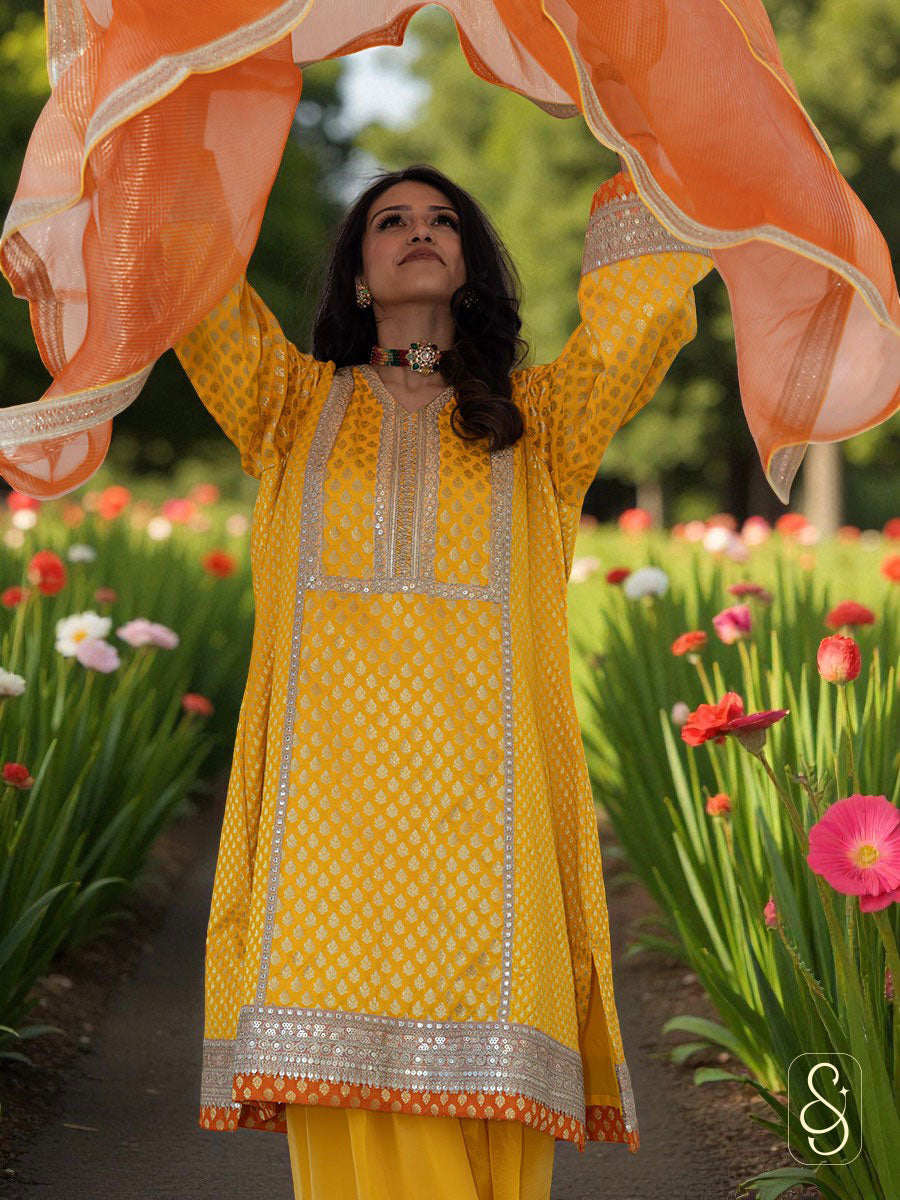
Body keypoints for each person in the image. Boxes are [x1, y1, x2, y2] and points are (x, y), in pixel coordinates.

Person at [173, 159, 714, 1200]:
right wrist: (146, 126)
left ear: (467, 266)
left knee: (483, 1110)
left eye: (441, 221)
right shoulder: (287, 404)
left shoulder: (542, 419)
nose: (418, 230)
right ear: (359, 274)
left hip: (486, 835)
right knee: (351, 1111)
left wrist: (653, 125)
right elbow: (194, 292)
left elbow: (637, 326)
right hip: (328, 843)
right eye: (390, 221)